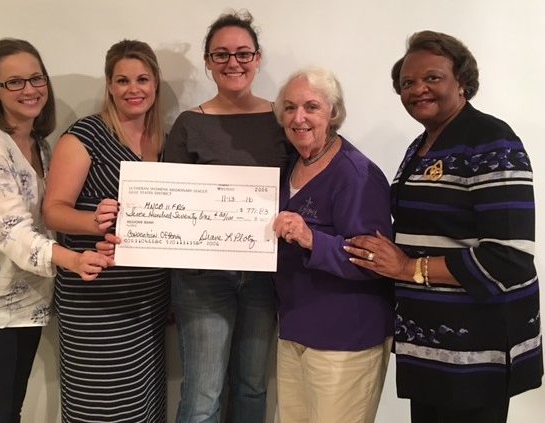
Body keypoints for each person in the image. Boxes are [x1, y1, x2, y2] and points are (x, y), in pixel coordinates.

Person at [345, 30, 543, 423]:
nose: (418, 89)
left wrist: (407, 268)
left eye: (432, 77)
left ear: (462, 81)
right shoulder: (420, 146)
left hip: (476, 351)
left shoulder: (492, 142)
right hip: (429, 345)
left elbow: (509, 257)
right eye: (407, 83)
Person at [0, 38, 110, 423]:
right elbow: (13, 232)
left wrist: (97, 223)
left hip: (27, 305)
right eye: (14, 82)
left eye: (36, 78)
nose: (29, 89)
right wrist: (73, 260)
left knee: (8, 412)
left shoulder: (41, 146)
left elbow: (50, 216)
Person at [163, 10, 289, 423]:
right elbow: (171, 202)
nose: (233, 62)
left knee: (252, 387)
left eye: (242, 53)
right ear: (208, 61)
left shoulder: (284, 119)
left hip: (265, 275)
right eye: (221, 54)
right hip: (202, 279)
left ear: (257, 58)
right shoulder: (189, 124)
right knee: (203, 395)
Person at [42, 40, 170, 422]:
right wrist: (92, 221)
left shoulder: (163, 141)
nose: (134, 89)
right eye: (122, 80)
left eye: (142, 79)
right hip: (95, 299)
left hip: (148, 299)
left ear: (156, 83)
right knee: (102, 407)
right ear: (109, 86)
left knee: (144, 404)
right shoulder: (86, 135)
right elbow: (52, 211)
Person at [271, 68, 394, 423]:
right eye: (290, 107)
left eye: (311, 107)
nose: (299, 118)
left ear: (333, 112)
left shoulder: (357, 175)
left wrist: (312, 238)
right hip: (294, 329)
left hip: (344, 338)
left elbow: (375, 260)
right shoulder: (290, 164)